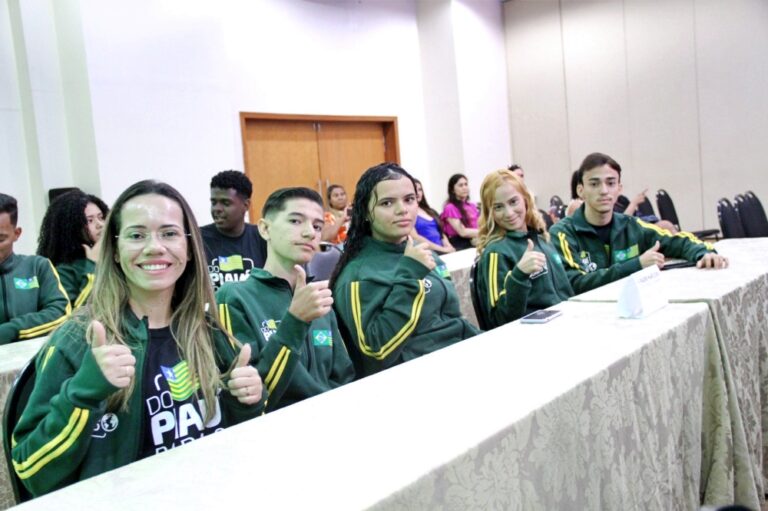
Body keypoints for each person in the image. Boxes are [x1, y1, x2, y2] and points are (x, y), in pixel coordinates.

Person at [12, 181, 265, 497]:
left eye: (169, 233)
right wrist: (82, 394)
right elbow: (29, 470)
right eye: (136, 235)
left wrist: (245, 402)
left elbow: (233, 444)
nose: (154, 247)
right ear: (115, 251)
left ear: (189, 249)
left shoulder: (207, 329)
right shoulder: (80, 339)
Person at [330, 163, 481, 378]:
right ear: (364, 212)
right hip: (412, 381)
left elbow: (454, 321)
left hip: (458, 360)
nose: (402, 209)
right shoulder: (356, 275)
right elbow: (377, 351)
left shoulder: (426, 256)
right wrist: (409, 276)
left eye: (409, 199)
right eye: (387, 202)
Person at [216, 187, 354, 411]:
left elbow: (344, 376)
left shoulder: (317, 297)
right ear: (264, 229)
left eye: (317, 226)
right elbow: (251, 399)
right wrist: (295, 320)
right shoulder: (233, 296)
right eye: (296, 221)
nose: (310, 233)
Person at [550, 152, 728, 294]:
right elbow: (574, 284)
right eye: (594, 184)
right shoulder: (562, 233)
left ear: (619, 188)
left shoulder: (631, 226)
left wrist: (704, 253)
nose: (604, 191)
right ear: (581, 191)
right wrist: (637, 265)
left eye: (610, 183)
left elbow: (678, 241)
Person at [475, 170, 573, 327]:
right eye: (498, 207)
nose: (509, 213)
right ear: (490, 212)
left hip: (566, 322)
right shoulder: (495, 253)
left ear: (526, 200)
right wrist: (519, 275)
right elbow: (498, 320)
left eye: (513, 202)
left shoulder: (542, 239)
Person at [0, 193, 70, 344]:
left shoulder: (38, 267)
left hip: (36, 363)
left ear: (16, 234)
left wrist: (11, 330)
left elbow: (60, 311)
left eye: (0, 239)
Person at [37, 189, 109, 308]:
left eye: (101, 217)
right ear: (71, 227)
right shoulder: (62, 270)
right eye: (90, 220)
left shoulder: (114, 254)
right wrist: (93, 264)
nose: (100, 224)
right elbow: (75, 314)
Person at [201, 170, 267, 290]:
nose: (217, 209)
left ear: (246, 205)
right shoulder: (197, 239)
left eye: (226, 203)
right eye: (214, 202)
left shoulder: (263, 239)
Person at [411, 179, 454, 254]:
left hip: (443, 251)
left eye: (420, 189)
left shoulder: (431, 211)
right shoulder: (408, 213)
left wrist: (448, 247)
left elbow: (441, 233)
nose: (418, 193)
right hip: (427, 253)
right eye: (415, 189)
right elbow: (415, 237)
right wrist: (441, 249)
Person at [440, 173, 479, 250]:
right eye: (460, 185)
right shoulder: (450, 207)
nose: (464, 188)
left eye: (466, 184)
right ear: (452, 190)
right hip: (461, 244)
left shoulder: (472, 206)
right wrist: (485, 232)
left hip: (476, 240)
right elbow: (462, 232)